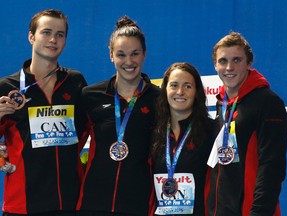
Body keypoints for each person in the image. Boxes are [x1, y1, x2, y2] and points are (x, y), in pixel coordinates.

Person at [0, 9, 88, 216]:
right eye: (46, 32)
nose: (53, 40)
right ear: (31, 36)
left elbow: (87, 130)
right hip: (23, 205)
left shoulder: (75, 82)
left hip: (69, 201)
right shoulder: (7, 87)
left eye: (60, 34)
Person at [76, 16, 160, 216]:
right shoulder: (90, 96)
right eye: (121, 54)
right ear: (111, 55)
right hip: (93, 203)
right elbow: (70, 146)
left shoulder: (159, 100)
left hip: (138, 204)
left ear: (144, 54)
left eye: (135, 54)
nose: (128, 62)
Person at [207, 32, 287, 216]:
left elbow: (272, 165)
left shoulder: (268, 102)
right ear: (215, 65)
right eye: (223, 61)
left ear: (249, 63)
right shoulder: (222, 102)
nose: (229, 67)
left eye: (236, 60)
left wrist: (259, 212)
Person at [150, 62, 216, 215]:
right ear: (165, 90)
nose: (180, 92)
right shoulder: (154, 133)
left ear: (196, 92)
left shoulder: (212, 131)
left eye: (187, 86)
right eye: (174, 85)